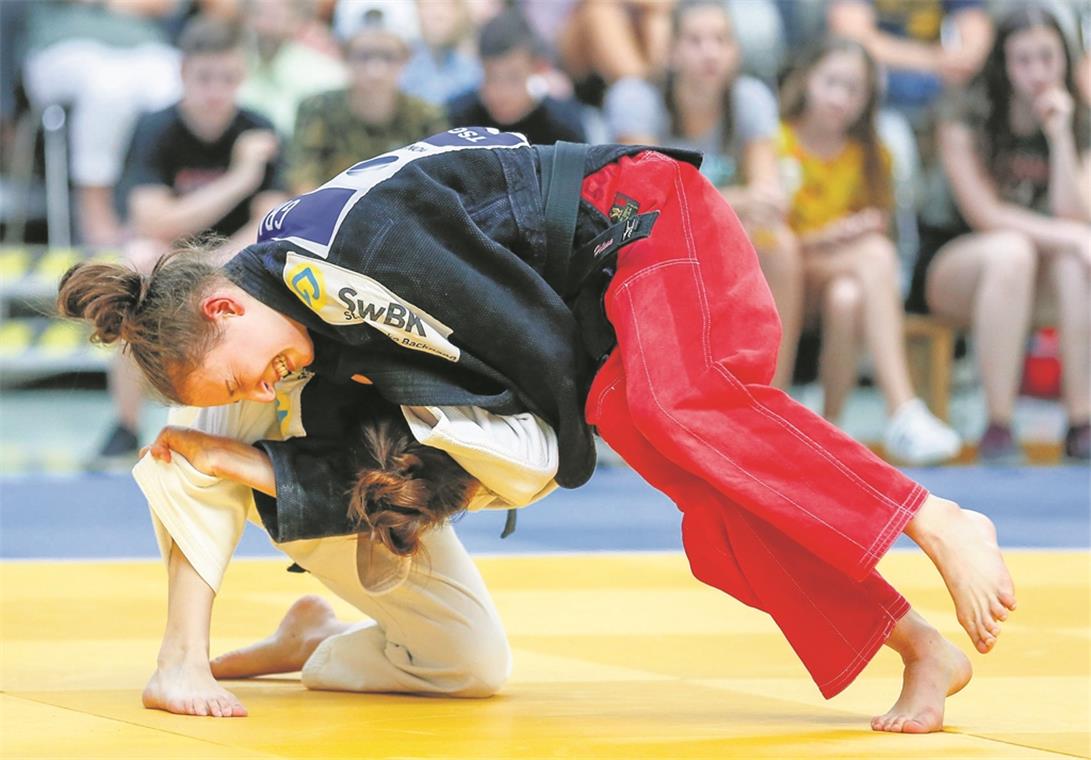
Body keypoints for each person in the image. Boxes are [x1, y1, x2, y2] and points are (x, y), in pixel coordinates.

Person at [59, 128, 1016, 733]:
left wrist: (536, 457)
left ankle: (931, 515)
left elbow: (531, 345)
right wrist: (271, 461)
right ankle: (914, 643)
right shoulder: (310, 309)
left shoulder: (343, 246)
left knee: (686, 410)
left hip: (639, 225)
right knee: (714, 502)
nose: (266, 380)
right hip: (596, 318)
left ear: (226, 308)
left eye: (242, 368)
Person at [90, 16, 287, 469]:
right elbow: (151, 218)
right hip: (170, 257)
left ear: (242, 77)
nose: (216, 90)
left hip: (239, 259)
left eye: (228, 78)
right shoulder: (156, 128)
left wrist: (216, 262)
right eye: (205, 78)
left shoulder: (260, 126)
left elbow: (271, 221)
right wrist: (240, 178)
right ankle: (125, 422)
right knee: (135, 265)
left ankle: (253, 426)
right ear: (184, 74)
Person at [908, 5, 1091, 462]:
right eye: (1023, 60)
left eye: (1048, 58)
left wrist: (1061, 135)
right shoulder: (963, 113)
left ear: (1065, 59)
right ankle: (998, 426)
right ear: (1002, 63)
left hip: (1039, 269)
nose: (1037, 73)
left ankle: (1081, 423)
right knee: (1014, 251)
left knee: (1073, 261)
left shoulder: (1078, 115)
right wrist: (1073, 237)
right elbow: (986, 213)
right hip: (954, 265)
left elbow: (1075, 214)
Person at [777, 37, 962, 465]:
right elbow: (766, 244)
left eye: (854, 89)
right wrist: (829, 237)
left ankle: (829, 430)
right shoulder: (776, 142)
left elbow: (883, 226)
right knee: (875, 255)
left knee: (849, 296)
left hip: (835, 279)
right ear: (807, 80)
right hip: (782, 279)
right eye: (832, 83)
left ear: (868, 99)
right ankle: (901, 408)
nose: (841, 98)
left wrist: (855, 232)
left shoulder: (873, 154)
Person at [605, 0, 802, 389]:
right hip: (645, 233)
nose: (710, 52)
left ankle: (773, 393)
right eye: (695, 41)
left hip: (722, 230)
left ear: (736, 52)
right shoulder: (636, 98)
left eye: (720, 40)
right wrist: (739, 200)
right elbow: (648, 199)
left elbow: (767, 194)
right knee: (657, 246)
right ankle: (659, 394)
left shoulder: (750, 97)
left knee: (780, 245)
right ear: (672, 52)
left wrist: (743, 202)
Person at [285, 4, 447, 194]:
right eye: (364, 56)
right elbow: (302, 186)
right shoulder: (317, 109)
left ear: (406, 57)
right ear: (345, 55)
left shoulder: (426, 117)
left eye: (388, 56)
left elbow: (437, 188)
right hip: (328, 219)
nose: (375, 71)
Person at [446, 9, 586, 146]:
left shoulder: (563, 126)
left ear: (537, 68)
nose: (501, 92)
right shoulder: (459, 120)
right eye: (491, 78)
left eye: (513, 78)